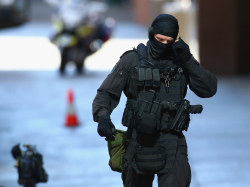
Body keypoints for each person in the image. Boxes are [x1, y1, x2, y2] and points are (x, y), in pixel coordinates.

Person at [92, 14, 217, 187]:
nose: (163, 45)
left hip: (172, 141)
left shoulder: (181, 61)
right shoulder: (132, 60)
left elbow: (209, 89)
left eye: (169, 41)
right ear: (151, 34)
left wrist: (188, 60)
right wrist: (103, 117)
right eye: (159, 39)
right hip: (138, 142)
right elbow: (106, 92)